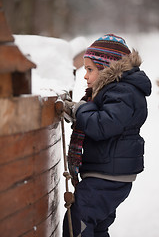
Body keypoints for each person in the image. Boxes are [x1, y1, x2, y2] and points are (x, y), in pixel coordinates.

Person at [62, 34, 151, 237]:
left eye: (90, 69)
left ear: (106, 69)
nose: (85, 76)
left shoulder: (124, 92)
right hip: (107, 171)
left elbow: (102, 125)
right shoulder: (116, 91)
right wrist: (79, 110)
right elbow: (99, 117)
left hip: (109, 175)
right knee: (97, 226)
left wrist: (80, 110)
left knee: (78, 220)